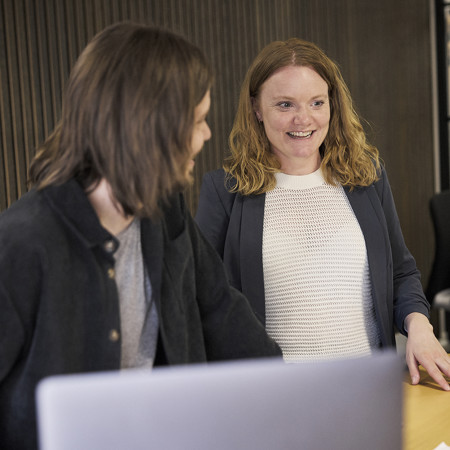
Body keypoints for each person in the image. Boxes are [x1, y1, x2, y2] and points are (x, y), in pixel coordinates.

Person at [0, 23, 282, 450]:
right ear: (149, 128)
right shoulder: (20, 244)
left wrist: (293, 400)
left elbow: (223, 316)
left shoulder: (166, 212)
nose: (207, 134)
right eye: (198, 121)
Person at [195, 38, 450, 390]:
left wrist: (420, 326)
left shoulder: (366, 178)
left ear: (332, 104)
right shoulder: (225, 192)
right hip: (274, 395)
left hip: (368, 386)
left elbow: (401, 273)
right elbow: (204, 302)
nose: (303, 119)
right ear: (256, 108)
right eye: (285, 104)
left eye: (317, 102)